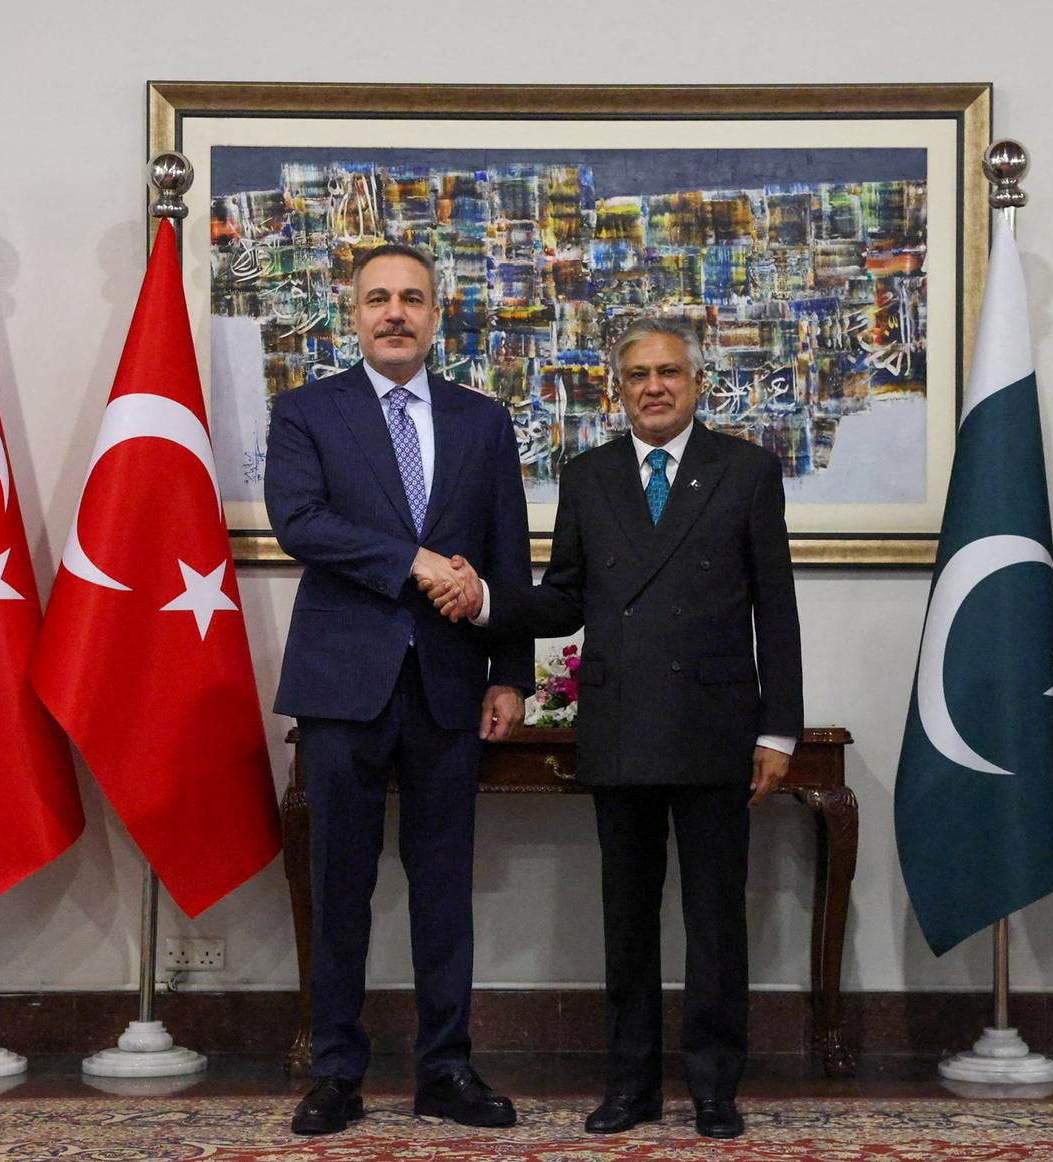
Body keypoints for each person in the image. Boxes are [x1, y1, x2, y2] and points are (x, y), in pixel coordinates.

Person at [429, 315, 802, 1139]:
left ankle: (714, 1087)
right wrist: (490, 600)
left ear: (698, 383)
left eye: (670, 372)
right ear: (617, 389)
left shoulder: (744, 470)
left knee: (716, 919)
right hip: (622, 724)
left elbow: (775, 605)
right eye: (638, 375)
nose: (655, 387)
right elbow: (563, 595)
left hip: (714, 727)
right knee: (626, 920)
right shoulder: (588, 473)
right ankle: (630, 1085)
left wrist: (779, 731)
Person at [265, 243, 532, 1136]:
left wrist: (512, 673)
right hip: (344, 684)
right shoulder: (307, 411)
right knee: (340, 882)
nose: (395, 313)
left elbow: (505, 551)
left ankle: (445, 1069)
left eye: (412, 299)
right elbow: (299, 522)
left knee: (444, 884)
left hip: (451, 686)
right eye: (378, 298)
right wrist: (413, 562)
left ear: (435, 313)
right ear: (353, 311)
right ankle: (337, 1070)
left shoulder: (483, 420)